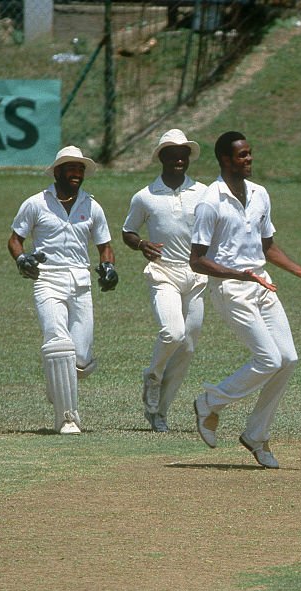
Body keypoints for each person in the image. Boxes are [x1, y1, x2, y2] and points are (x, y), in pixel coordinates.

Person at [190, 131, 301, 469]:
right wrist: (238, 275)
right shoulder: (211, 201)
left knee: (288, 359)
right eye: (242, 156)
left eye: (250, 154)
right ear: (225, 160)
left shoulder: (259, 194)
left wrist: (300, 272)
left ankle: (256, 434)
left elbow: (267, 246)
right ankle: (209, 402)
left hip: (262, 284)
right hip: (231, 288)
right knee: (268, 359)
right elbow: (197, 260)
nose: (249, 160)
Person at [7, 145, 118, 435]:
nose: (76, 173)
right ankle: (67, 419)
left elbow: (105, 247)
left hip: (80, 282)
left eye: (80, 168)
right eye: (71, 167)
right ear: (57, 171)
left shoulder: (92, 205)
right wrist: (22, 258)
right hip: (47, 279)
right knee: (58, 344)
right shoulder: (36, 203)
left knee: (80, 359)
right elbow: (15, 239)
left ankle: (56, 383)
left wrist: (108, 267)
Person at [122, 129, 208, 433]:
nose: (179, 159)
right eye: (172, 154)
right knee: (172, 333)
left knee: (187, 346)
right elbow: (127, 231)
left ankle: (159, 412)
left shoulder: (203, 192)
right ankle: (153, 375)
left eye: (183, 154)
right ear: (161, 157)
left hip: (196, 274)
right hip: (163, 272)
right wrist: (141, 244)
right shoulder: (145, 195)